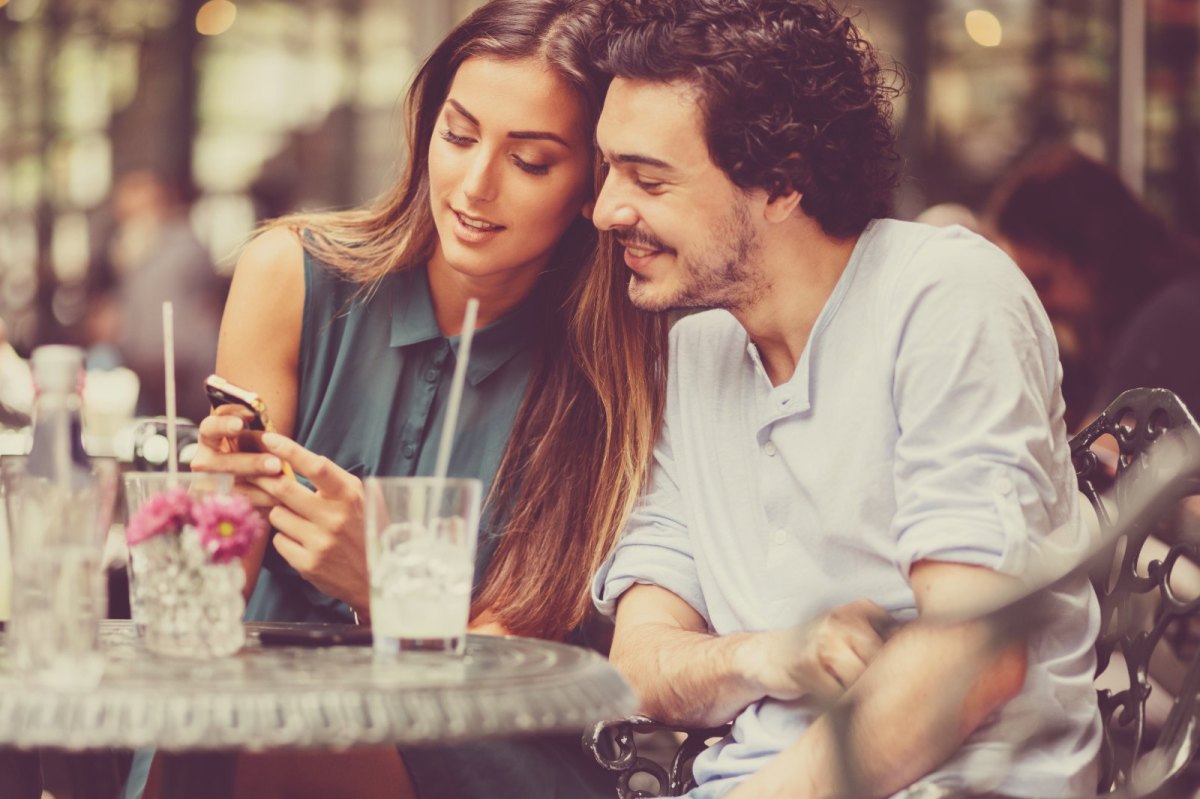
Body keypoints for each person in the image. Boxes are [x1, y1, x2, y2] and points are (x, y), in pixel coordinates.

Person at [128, 2, 667, 797]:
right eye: (458, 134)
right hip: (252, 718)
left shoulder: (613, 372)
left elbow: (523, 676)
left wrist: (383, 584)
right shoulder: (290, 274)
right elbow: (209, 603)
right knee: (212, 737)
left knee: (282, 752)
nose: (475, 186)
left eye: (530, 161)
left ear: (592, 182)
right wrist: (209, 510)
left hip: (479, 739)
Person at [589, 1, 1101, 797]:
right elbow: (640, 664)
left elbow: (973, 655)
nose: (606, 210)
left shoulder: (944, 296)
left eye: (648, 179)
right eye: (610, 171)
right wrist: (763, 653)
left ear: (782, 183)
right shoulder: (694, 347)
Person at [985, 146, 1200, 426]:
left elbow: (1100, 458)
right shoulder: (1112, 338)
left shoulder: (1169, 321)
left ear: (1094, 257)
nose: (1040, 305)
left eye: (1043, 282)